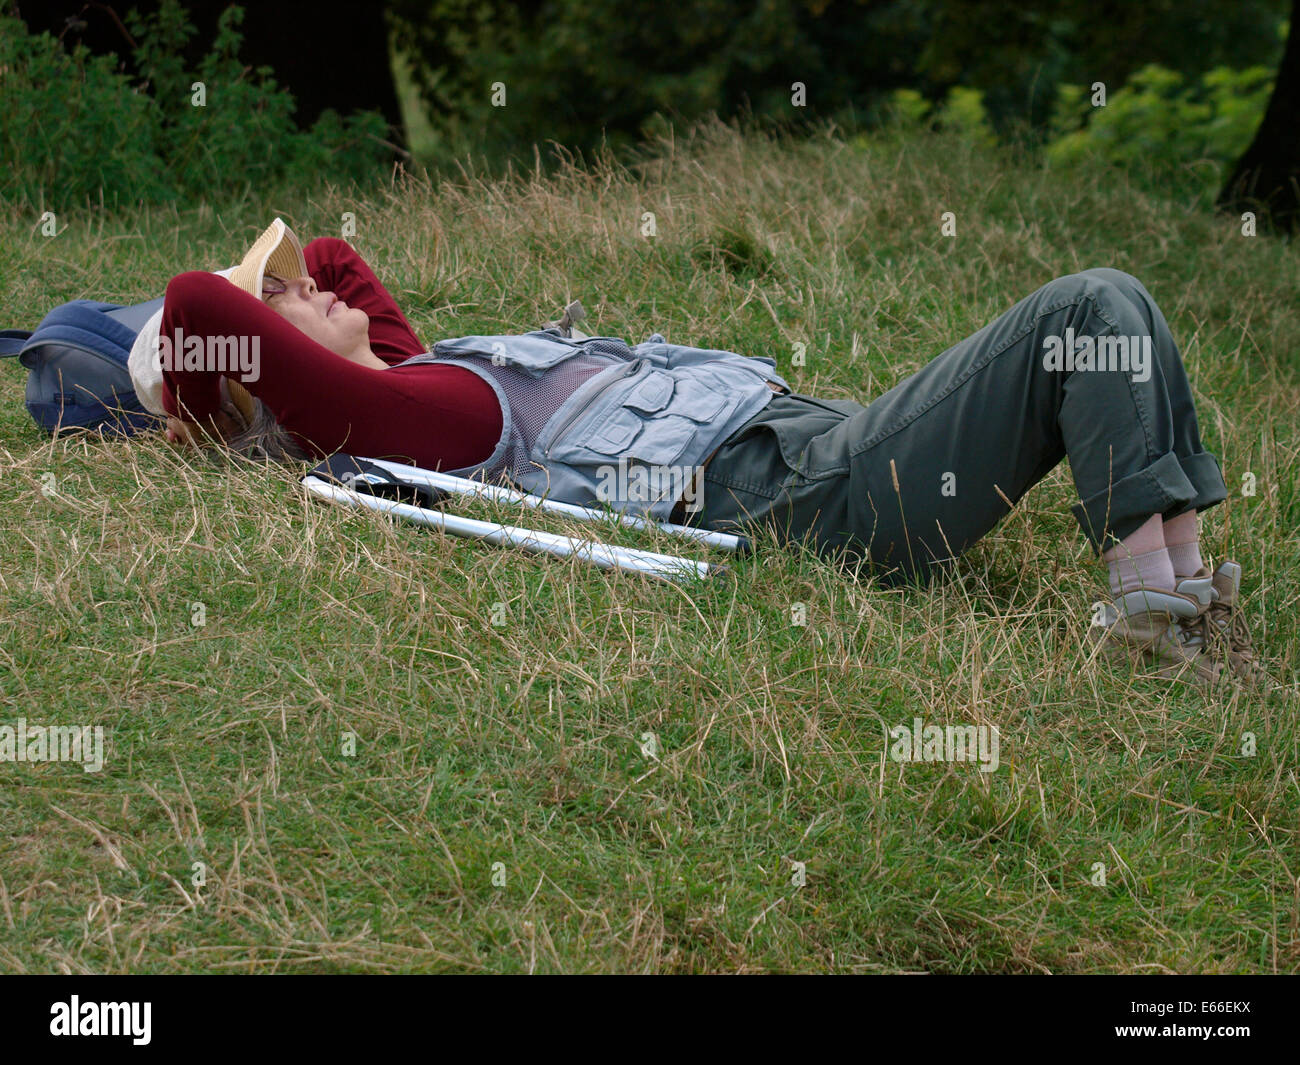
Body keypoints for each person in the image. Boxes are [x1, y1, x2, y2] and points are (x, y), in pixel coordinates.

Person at [152, 220, 1263, 687]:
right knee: (1091, 303)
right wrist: (203, 404)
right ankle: (1148, 615)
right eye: (276, 296)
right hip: (802, 497)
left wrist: (298, 299)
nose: (306, 280)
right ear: (258, 373)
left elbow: (342, 265)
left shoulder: (411, 376)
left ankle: (1176, 595)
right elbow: (202, 301)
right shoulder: (408, 424)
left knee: (1121, 309)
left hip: (818, 440)